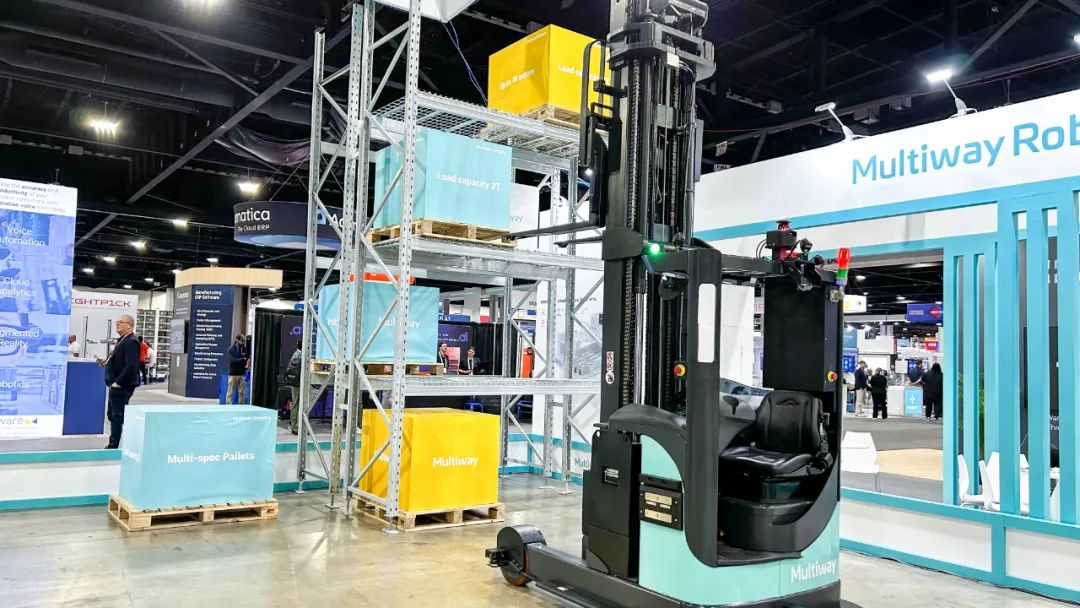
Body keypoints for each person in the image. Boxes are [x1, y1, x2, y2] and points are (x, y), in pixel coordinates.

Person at [99, 314, 140, 449]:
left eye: (121, 322)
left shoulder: (131, 342)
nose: (117, 324)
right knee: (113, 414)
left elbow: (131, 366)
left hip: (122, 385)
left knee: (118, 415)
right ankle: (114, 442)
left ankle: (114, 445)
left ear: (129, 325)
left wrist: (118, 382)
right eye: (117, 322)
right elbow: (121, 361)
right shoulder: (123, 340)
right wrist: (106, 363)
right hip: (116, 384)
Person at [283, 341, 303, 434]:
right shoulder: (300, 357)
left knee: (296, 403)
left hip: (295, 383)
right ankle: (293, 426)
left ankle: (293, 424)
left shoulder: (295, 354)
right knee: (296, 404)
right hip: (298, 384)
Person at [226, 334, 249, 404]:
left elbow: (246, 358)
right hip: (233, 374)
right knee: (230, 392)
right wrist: (242, 359)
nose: (243, 343)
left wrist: (247, 361)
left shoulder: (244, 349)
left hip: (242, 373)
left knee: (242, 392)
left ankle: (241, 406)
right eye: (242, 341)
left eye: (244, 341)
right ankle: (228, 406)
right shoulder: (231, 349)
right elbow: (232, 360)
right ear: (237, 340)